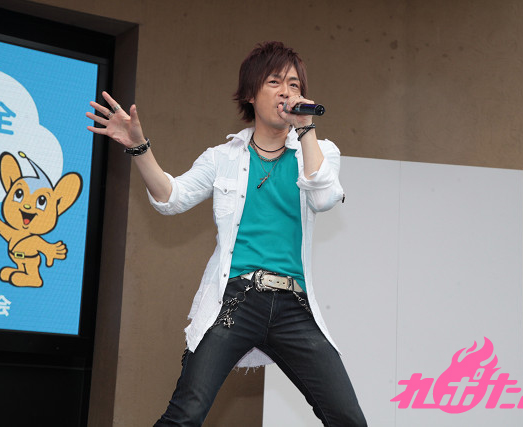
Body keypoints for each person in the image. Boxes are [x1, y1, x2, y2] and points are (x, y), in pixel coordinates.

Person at [86, 41, 367, 427]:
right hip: (235, 301)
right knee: (185, 415)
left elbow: (323, 197)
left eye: (295, 85)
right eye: (275, 82)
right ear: (250, 94)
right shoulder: (223, 157)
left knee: (349, 419)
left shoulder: (319, 150)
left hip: (294, 306)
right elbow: (171, 198)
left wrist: (306, 130)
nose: (287, 92)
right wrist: (139, 148)